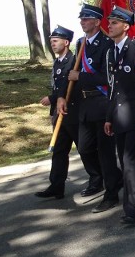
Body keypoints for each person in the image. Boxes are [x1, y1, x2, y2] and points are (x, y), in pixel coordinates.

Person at [61, 4, 121, 213]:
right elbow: (71, 74)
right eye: (81, 18)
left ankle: (111, 194)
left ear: (97, 22)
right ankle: (113, 177)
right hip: (84, 105)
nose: (82, 21)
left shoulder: (107, 44)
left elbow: (108, 78)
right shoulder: (80, 44)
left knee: (106, 153)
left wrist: (82, 77)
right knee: (85, 147)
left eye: (86, 18)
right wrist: (61, 96)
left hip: (102, 103)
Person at [104, 6, 135, 225]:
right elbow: (112, 89)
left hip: (134, 116)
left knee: (131, 163)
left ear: (125, 26)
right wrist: (108, 117)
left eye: (114, 23)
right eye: (109, 22)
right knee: (128, 164)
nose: (110, 26)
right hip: (118, 117)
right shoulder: (111, 52)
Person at [35, 26, 93, 199]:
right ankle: (56, 185)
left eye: (56, 41)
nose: (52, 43)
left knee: (85, 149)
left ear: (66, 42)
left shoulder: (73, 61)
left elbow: (70, 87)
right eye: (51, 40)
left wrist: (53, 98)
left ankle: (99, 178)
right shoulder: (58, 62)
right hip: (59, 114)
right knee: (59, 150)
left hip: (72, 112)